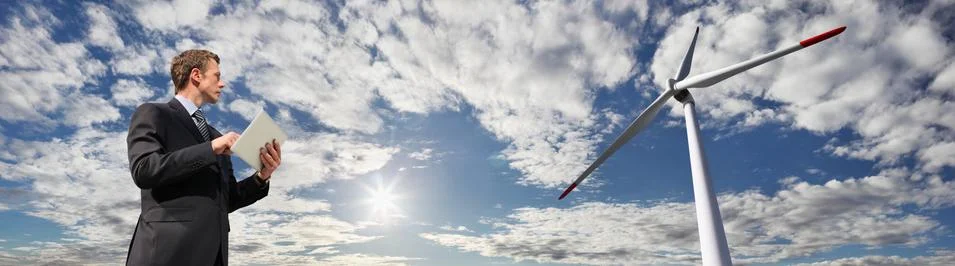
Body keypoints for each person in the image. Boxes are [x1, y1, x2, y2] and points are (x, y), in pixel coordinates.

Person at [125, 49, 282, 266]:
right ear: (196, 75)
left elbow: (227, 200)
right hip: (166, 253)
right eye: (217, 76)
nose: (222, 84)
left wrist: (262, 176)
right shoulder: (153, 113)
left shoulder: (216, 136)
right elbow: (144, 170)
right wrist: (210, 149)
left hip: (214, 255)